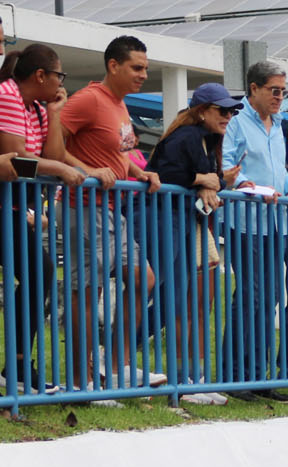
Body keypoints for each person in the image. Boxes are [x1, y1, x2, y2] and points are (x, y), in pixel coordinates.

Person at [60, 35, 163, 391]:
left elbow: (120, 153)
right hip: (81, 208)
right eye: (137, 67)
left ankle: (115, 367)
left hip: (109, 210)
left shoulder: (120, 105)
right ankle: (81, 381)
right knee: (87, 292)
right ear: (113, 65)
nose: (143, 75)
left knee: (143, 279)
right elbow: (50, 145)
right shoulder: (88, 99)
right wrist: (87, 170)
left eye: (145, 68)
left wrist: (139, 172)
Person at [221, 59, 288, 399]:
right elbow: (226, 166)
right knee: (250, 297)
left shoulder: (277, 124)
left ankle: (259, 377)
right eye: (274, 90)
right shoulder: (236, 123)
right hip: (244, 220)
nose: (280, 97)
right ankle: (236, 376)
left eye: (283, 91)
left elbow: (278, 172)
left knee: (269, 299)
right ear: (254, 89)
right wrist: (245, 182)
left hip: (274, 223)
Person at [146, 82, 247, 402]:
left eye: (232, 111)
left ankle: (188, 379)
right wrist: (202, 180)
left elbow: (207, 179)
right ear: (202, 112)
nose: (229, 116)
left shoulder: (206, 140)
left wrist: (213, 182)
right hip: (166, 219)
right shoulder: (187, 136)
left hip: (186, 222)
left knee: (184, 301)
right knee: (170, 299)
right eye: (222, 110)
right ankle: (116, 358)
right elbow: (166, 174)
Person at [0, 42, 86, 393]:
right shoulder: (7, 94)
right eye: (59, 75)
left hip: (16, 209)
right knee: (40, 271)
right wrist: (59, 170)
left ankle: (19, 365)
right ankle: (17, 366)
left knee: (41, 272)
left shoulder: (35, 107)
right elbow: (13, 158)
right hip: (6, 206)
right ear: (40, 75)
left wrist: (54, 114)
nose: (61, 83)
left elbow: (51, 154)